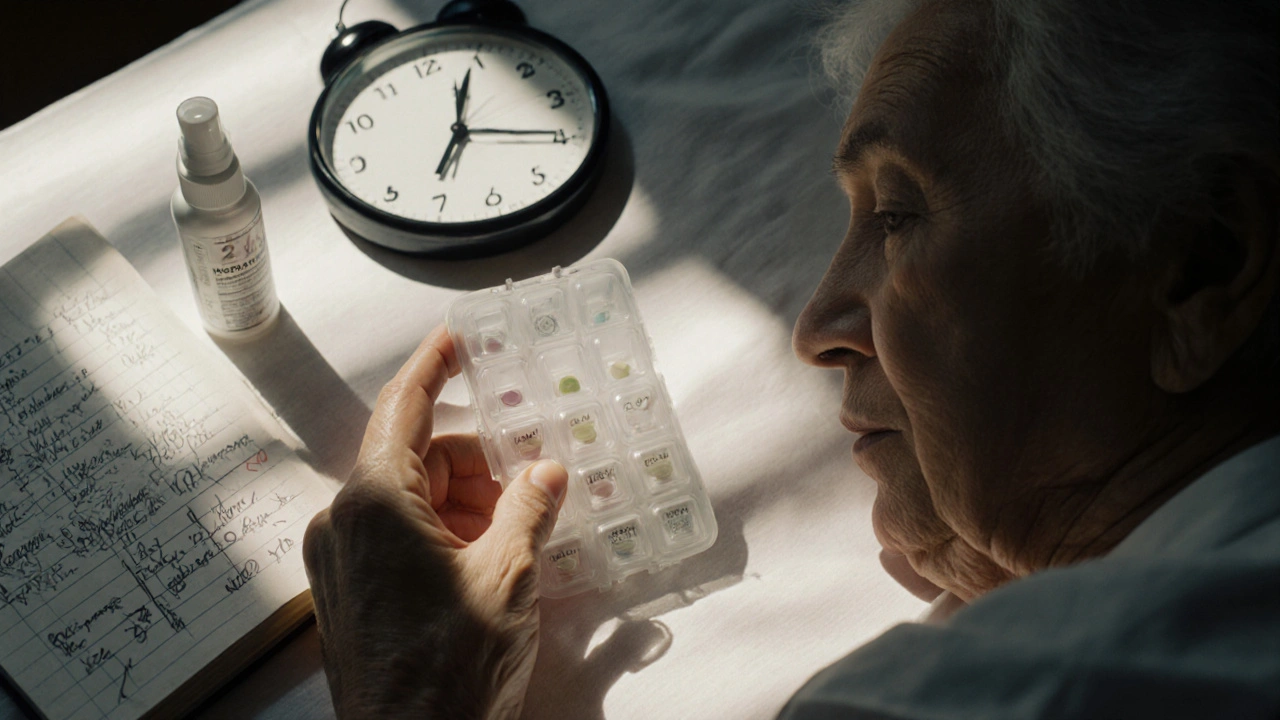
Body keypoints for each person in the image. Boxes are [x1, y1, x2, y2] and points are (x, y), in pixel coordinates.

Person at [301, 0, 1280, 717]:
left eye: (897, 214)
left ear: (1202, 262)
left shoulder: (955, 696)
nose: (814, 328)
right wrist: (1070, 532)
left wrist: (409, 693)